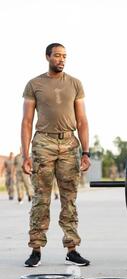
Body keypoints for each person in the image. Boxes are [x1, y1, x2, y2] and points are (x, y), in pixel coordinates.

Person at [21, 43, 91, 267]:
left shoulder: (75, 84)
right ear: (47, 57)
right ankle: (35, 249)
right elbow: (26, 122)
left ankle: (72, 249)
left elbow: (82, 121)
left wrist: (86, 152)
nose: (61, 59)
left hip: (69, 143)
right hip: (43, 142)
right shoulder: (35, 84)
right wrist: (25, 155)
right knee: (41, 198)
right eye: (57, 56)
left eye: (65, 56)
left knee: (69, 198)